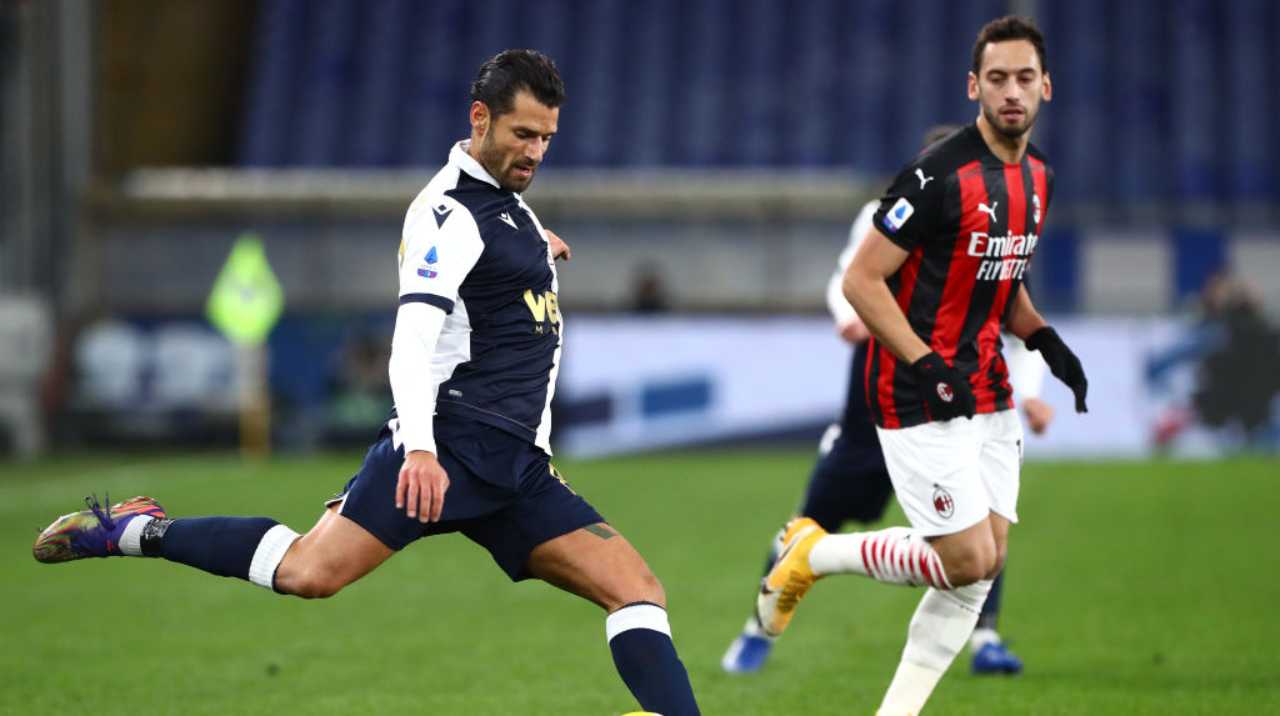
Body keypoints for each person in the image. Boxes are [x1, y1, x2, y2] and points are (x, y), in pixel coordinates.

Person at [32, 49, 700, 716]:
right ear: (480, 119)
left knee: (636, 589)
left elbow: (498, 255)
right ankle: (132, 531)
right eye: (523, 135)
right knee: (307, 573)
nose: (535, 152)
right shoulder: (447, 213)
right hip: (450, 447)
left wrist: (535, 246)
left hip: (517, 467)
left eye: (547, 139)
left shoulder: (508, 211)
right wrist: (418, 447)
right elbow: (410, 342)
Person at [755, 17, 1087, 715]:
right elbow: (861, 280)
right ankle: (813, 556)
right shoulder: (936, 175)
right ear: (974, 86)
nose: (1012, 92)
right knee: (965, 559)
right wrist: (924, 361)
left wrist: (1045, 338)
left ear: (1046, 86)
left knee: (980, 566)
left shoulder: (1039, 177)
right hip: (916, 392)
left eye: (1025, 78)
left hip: (988, 390)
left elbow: (1000, 280)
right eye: (997, 79)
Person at [722, 124, 1054, 677]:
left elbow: (1017, 322)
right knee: (820, 510)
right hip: (882, 390)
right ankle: (758, 629)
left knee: (984, 520)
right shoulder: (897, 209)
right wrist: (847, 315)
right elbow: (849, 276)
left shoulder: (997, 226)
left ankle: (984, 640)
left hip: (959, 394)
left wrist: (1033, 395)